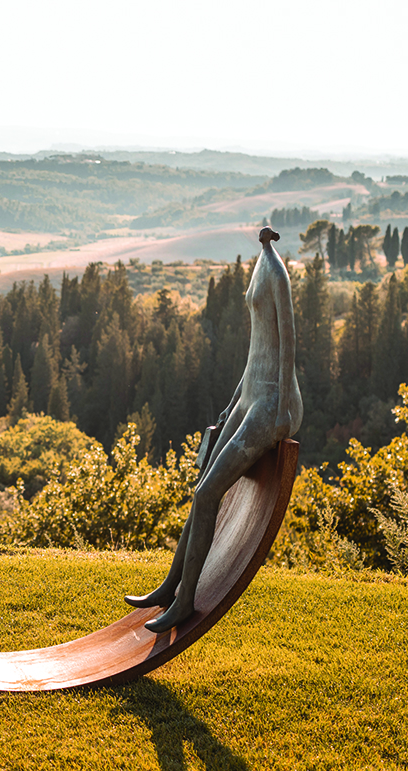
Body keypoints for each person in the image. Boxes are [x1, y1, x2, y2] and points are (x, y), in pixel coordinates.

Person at [126, 227, 302, 632]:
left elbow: (288, 344)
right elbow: (258, 347)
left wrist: (280, 414)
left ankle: (185, 603)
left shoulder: (276, 274)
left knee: (208, 494)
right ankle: (171, 586)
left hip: (273, 399)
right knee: (201, 486)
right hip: (251, 394)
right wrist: (233, 400)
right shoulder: (262, 265)